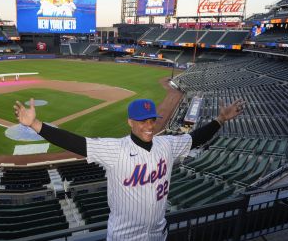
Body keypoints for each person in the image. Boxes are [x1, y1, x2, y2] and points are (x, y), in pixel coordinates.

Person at [14, 97, 245, 241]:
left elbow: (194, 138)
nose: (148, 125)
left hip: (157, 235)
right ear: (130, 122)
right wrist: (36, 125)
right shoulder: (114, 150)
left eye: (151, 120)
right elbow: (76, 143)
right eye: (142, 120)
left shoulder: (167, 145)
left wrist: (220, 119)